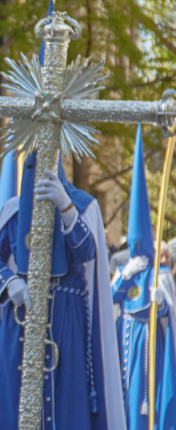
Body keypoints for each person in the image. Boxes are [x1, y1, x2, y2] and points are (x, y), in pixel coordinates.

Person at [0, 154, 124, 429]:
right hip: (22, 315)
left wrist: (66, 207)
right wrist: (10, 282)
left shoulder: (83, 206)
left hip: (66, 316)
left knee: (66, 401)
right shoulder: (14, 209)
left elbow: (87, 251)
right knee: (12, 398)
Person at [110, 128, 176, 429]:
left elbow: (168, 315)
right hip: (123, 339)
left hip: (147, 348)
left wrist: (160, 302)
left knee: (140, 404)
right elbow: (110, 298)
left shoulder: (159, 275)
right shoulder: (126, 271)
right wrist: (125, 275)